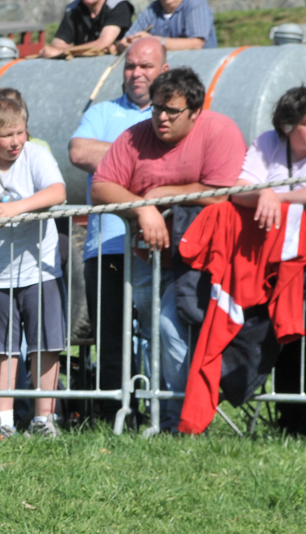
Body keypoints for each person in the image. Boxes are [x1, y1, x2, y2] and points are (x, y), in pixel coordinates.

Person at [91, 67, 245, 431]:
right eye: (157, 107)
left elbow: (225, 192)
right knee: (157, 332)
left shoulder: (219, 130)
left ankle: (183, 417)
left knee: (172, 328)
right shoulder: (133, 137)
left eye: (171, 111)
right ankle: (175, 415)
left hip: (208, 261)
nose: (161, 117)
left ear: (194, 112)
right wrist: (144, 208)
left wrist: (163, 195)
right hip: (150, 258)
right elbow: (101, 187)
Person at [0, 94, 68, 440]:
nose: (16, 142)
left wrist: (19, 207)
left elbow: (57, 191)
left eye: (20, 132)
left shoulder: (37, 154)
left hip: (40, 269)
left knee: (44, 344)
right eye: (6, 135)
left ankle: (43, 419)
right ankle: (2, 420)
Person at [69, 38, 168, 419]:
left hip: (159, 247)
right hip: (106, 247)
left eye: (145, 66)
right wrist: (143, 154)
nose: (136, 73)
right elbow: (78, 151)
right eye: (130, 66)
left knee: (161, 333)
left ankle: (163, 413)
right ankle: (114, 415)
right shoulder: (103, 111)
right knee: (111, 337)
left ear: (164, 71)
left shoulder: (171, 114)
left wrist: (112, 160)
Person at [230, 86, 306, 436]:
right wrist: (261, 192)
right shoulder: (266, 143)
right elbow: (237, 189)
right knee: (285, 336)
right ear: (288, 126)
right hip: (275, 261)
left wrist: (275, 195)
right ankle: (291, 421)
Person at [41, 0, 134, 58]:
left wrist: (63, 51)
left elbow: (102, 45)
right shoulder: (73, 9)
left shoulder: (118, 6)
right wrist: (83, 50)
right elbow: (56, 44)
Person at [119, 0, 216, 50]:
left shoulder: (195, 4)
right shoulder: (152, 10)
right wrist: (127, 43)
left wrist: (152, 41)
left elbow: (196, 44)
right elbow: (125, 39)